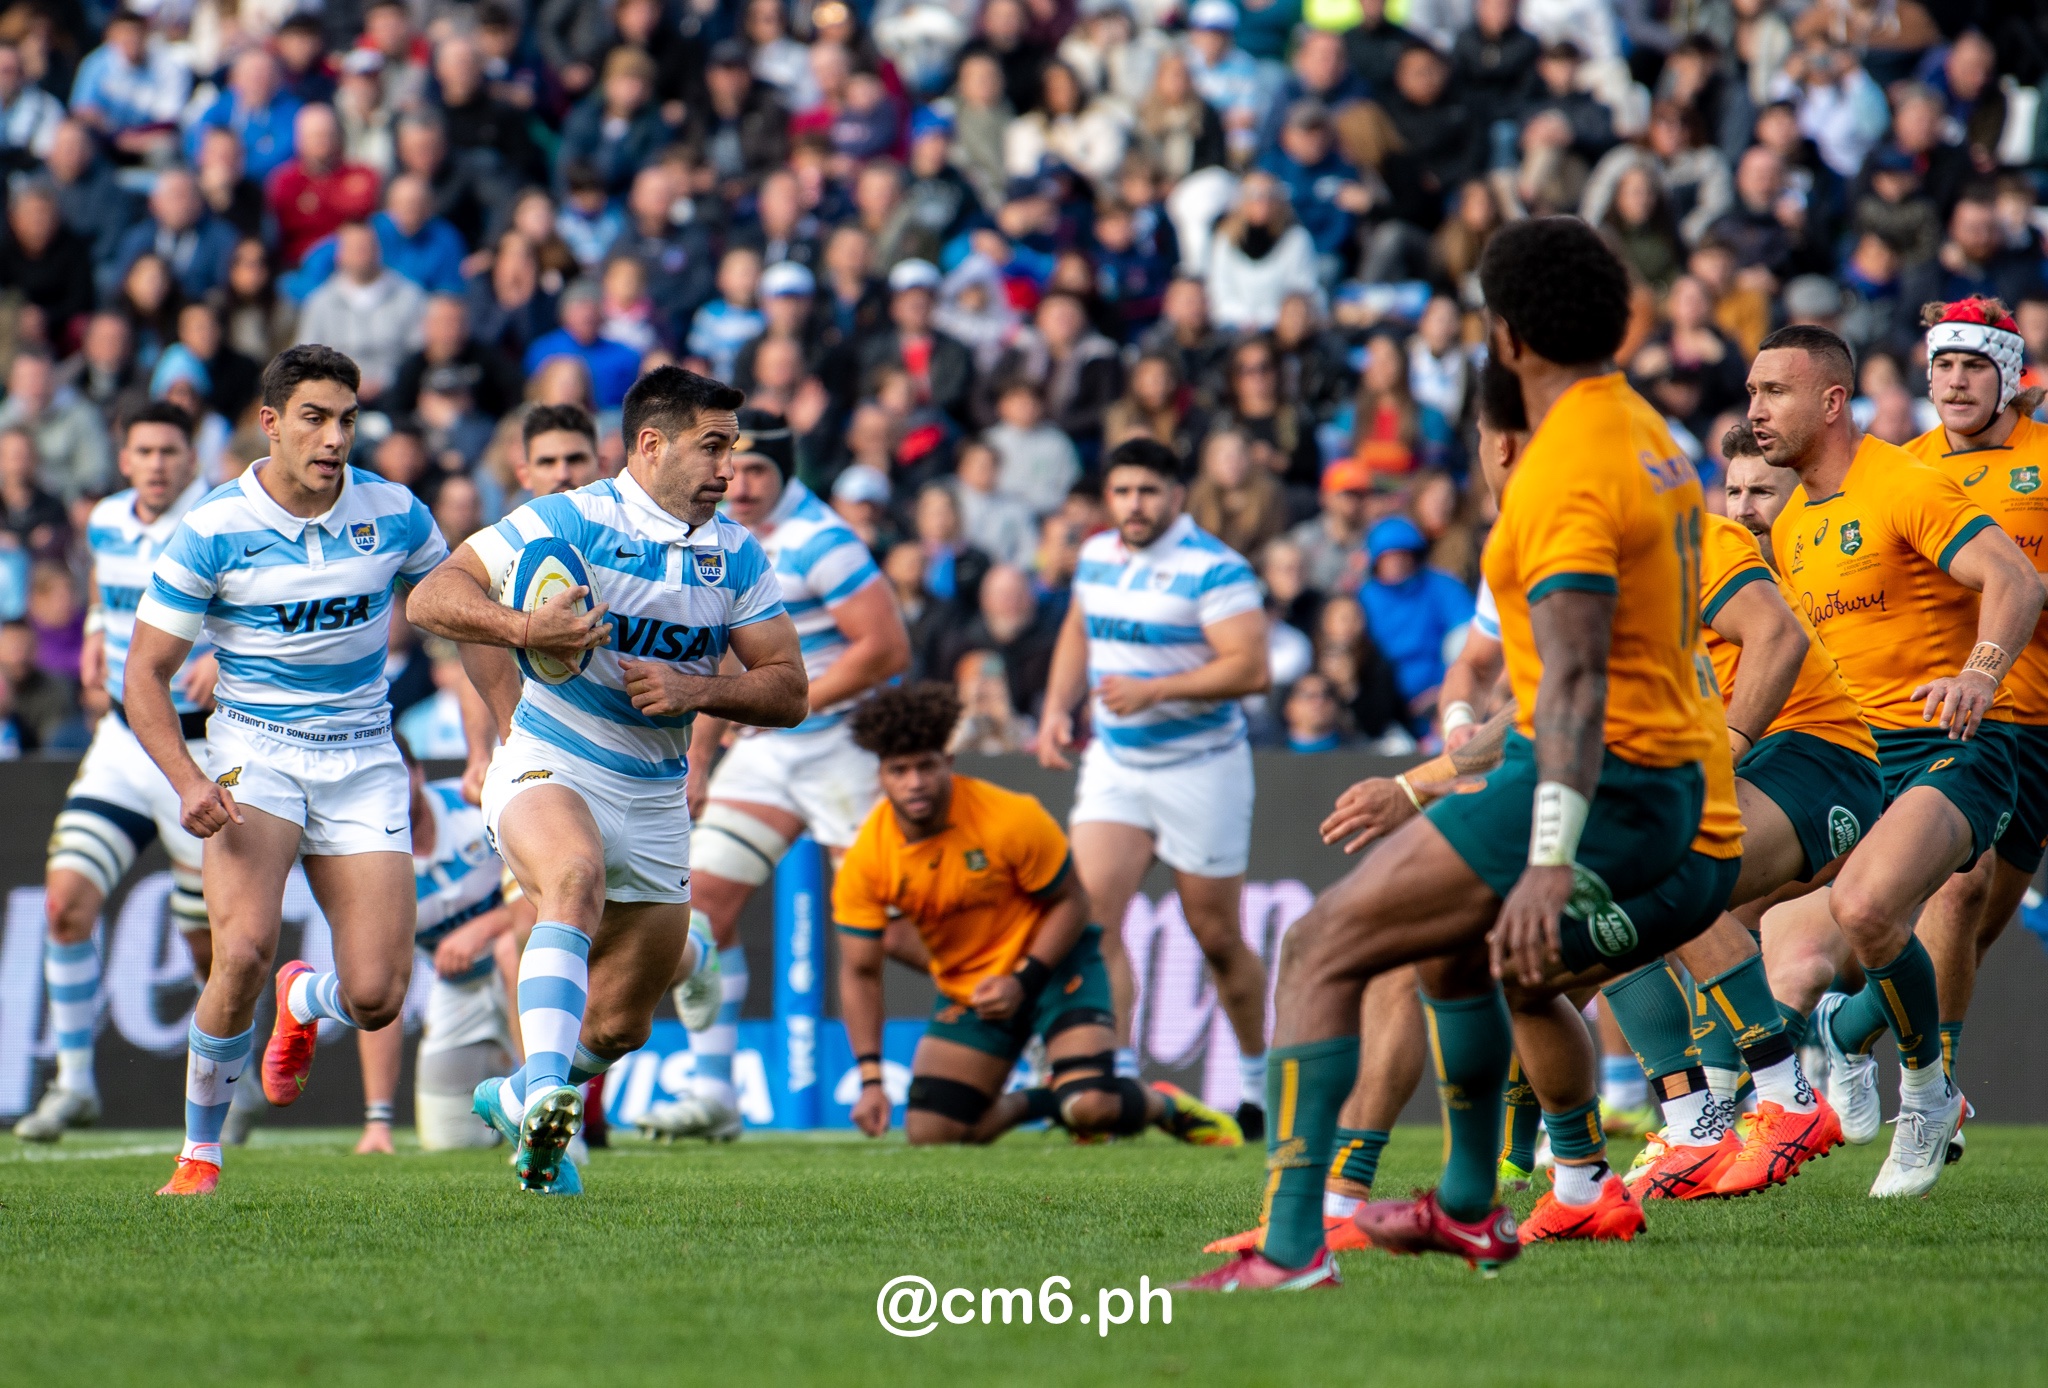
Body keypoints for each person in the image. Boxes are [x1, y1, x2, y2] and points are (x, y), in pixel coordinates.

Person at [1180, 218, 1723, 1289]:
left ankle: (1292, 1246)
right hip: (1653, 771)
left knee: (1320, 945)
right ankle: (1470, 1205)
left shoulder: (1561, 470)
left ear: (1507, 335)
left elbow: (1574, 680)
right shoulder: (1643, 429)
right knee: (1447, 955)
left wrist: (1550, 854)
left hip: (1607, 778)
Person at [406, 367, 808, 1194]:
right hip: (553, 756)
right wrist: (526, 626)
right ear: (651, 445)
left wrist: (698, 689)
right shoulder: (570, 518)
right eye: (713, 447)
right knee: (573, 877)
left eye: (731, 449)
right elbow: (432, 598)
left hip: (656, 791)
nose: (729, 468)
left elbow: (790, 689)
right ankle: (547, 1103)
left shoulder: (735, 553)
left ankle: (519, 1094)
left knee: (623, 1024)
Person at [128, 346, 451, 1196]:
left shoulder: (396, 511)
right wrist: (189, 780)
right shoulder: (213, 528)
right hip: (256, 753)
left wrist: (492, 736)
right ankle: (199, 1154)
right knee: (240, 951)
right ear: (270, 423)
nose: (335, 437)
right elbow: (144, 675)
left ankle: (307, 1002)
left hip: (365, 756)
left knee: (378, 997)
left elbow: (459, 612)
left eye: (347, 419)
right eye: (315, 418)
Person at [1749, 324, 2042, 1198]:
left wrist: (1979, 674)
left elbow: (2017, 579)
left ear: (1832, 401)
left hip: (1957, 745)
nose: (1756, 410)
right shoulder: (1791, 523)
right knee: (1710, 890)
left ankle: (1923, 1095)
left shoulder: (1903, 481)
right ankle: (1718, 1100)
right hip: (1857, 759)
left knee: (1880, 904)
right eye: (1753, 392)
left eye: (1774, 392)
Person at [635, 409, 909, 1140]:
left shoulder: (824, 540)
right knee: (699, 908)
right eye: (734, 466)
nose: (743, 483)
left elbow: (885, 647)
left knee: (889, 928)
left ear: (787, 474)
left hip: (844, 751)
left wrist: (786, 701)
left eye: (760, 470)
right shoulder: (721, 537)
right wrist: (702, 753)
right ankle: (714, 1092)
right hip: (767, 753)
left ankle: (1004, 990)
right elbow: (721, 655)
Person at [837, 681, 1243, 1146]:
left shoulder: (1009, 817)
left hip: (1057, 968)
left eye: (926, 766)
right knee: (934, 1133)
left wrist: (1022, 981)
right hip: (974, 988)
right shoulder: (867, 858)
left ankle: (1164, 1105)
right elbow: (860, 972)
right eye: (899, 770)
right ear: (881, 775)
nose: (914, 782)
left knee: (1091, 1107)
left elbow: (1074, 903)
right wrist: (871, 1080)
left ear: (948, 762)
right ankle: (1047, 1099)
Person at [1038, 437, 1272, 1137]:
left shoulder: (1214, 568)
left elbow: (1251, 669)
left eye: (1147, 491)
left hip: (1202, 768)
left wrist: (1157, 689)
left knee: (1217, 936)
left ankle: (1257, 1081)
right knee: (1091, 921)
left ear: (1176, 495)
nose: (1133, 505)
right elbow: (1079, 628)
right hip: (1117, 764)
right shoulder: (1096, 555)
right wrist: (1056, 707)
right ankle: (1118, 1082)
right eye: (1122, 491)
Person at [13, 404, 216, 1142]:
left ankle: (235, 1072)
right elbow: (105, 579)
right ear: (124, 459)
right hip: (127, 742)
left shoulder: (222, 522)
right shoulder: (105, 519)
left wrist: (224, 658)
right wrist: (100, 629)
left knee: (210, 944)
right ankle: (74, 1083)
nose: (157, 464)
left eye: (170, 451)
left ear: (191, 459)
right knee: (65, 901)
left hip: (202, 752)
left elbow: (263, 606)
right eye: (144, 451)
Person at [1892, 298, 2048, 1158]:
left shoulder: (2044, 459)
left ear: (2008, 376)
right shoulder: (1905, 470)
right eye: (1943, 366)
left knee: (1978, 925)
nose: (1955, 382)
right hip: (1949, 717)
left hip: (2039, 717)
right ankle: (1933, 1091)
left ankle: (1855, 1028)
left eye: (1974, 366)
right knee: (1955, 887)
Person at [353, 739, 518, 1156]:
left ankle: (547, 1102)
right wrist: (378, 1121)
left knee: (511, 949)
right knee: (450, 1141)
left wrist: (485, 927)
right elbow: (381, 993)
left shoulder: (476, 807)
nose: (388, 791)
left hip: (532, 967)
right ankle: (503, 1075)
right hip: (461, 987)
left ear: (419, 774)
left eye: (396, 775)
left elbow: (553, 897)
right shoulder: (371, 870)